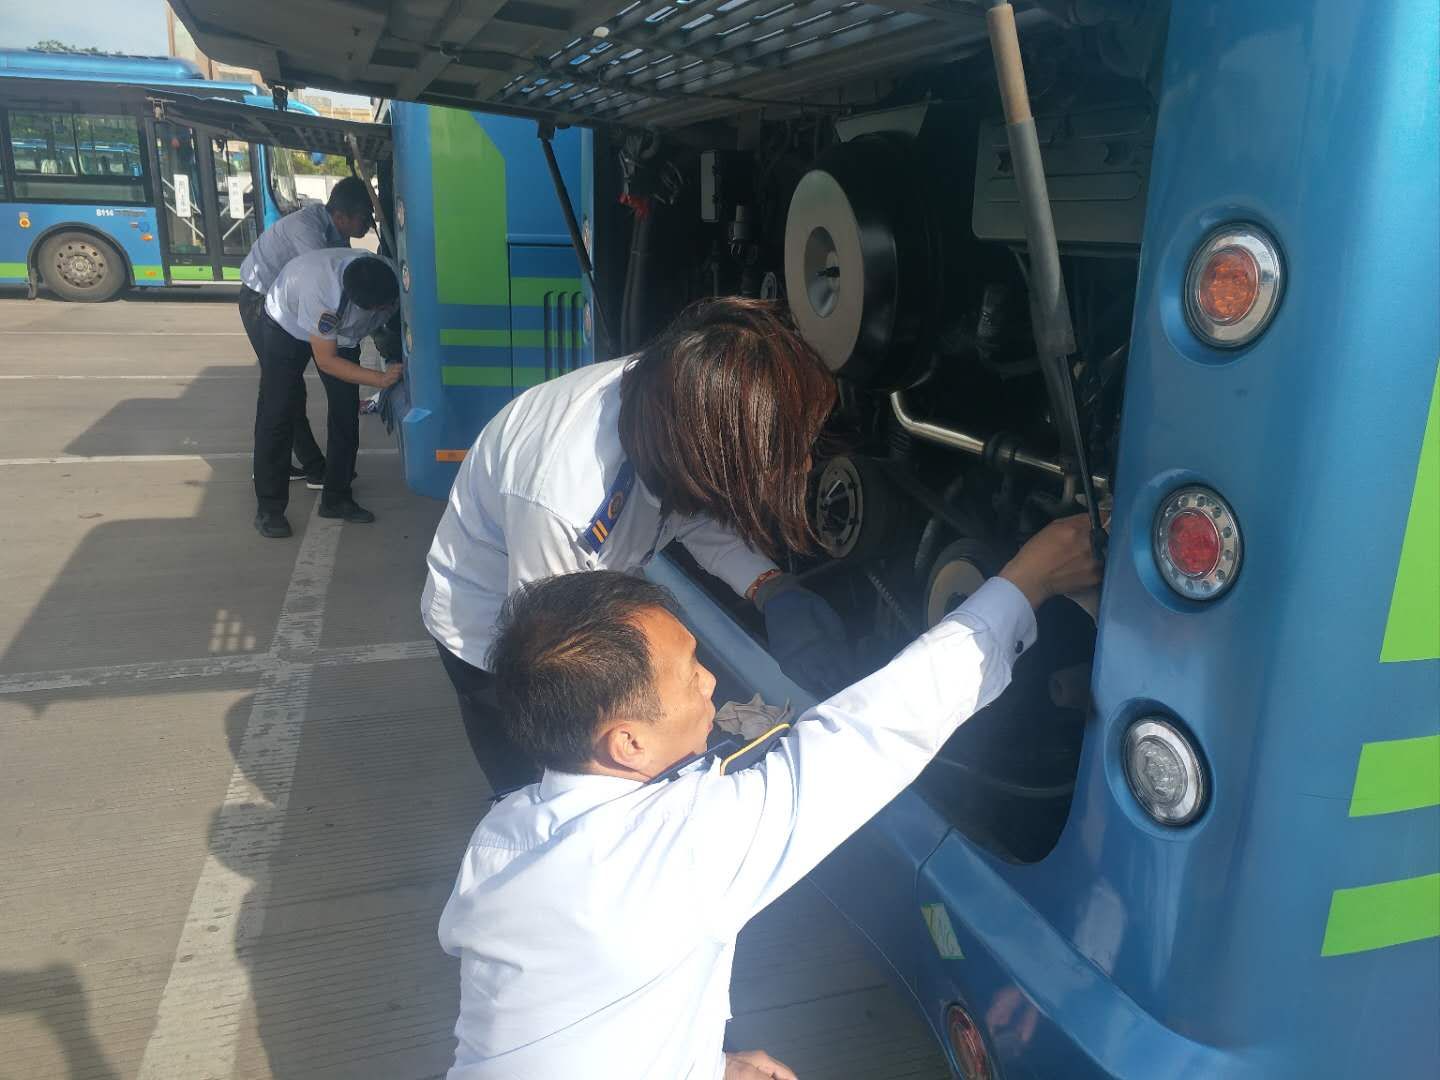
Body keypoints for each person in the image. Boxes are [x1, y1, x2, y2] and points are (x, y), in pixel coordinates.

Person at [436, 514, 1103, 1079]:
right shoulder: (680, 849)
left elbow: (560, 1029)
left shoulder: (505, 834)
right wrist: (1028, 581)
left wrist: (702, 1065)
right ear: (627, 743)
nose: (708, 682)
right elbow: (880, 728)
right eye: (688, 674)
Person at [422, 298, 853, 792]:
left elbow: (692, 513)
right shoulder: (562, 500)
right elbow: (560, 663)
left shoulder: (677, 396)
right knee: (543, 789)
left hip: (570, 592)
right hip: (494, 633)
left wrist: (770, 587)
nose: (801, 466)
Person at [253, 249, 402, 538]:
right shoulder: (323, 296)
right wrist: (380, 379)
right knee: (278, 410)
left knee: (345, 412)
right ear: (362, 305)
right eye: (379, 308)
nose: (385, 310)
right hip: (286, 326)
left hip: (343, 335)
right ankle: (269, 509)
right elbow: (327, 361)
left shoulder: (387, 274)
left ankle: (336, 498)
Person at [238, 176, 374, 487]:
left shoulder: (337, 234)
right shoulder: (307, 230)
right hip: (261, 301)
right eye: (364, 218)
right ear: (341, 216)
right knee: (281, 389)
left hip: (291, 302)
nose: (368, 225)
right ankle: (278, 464)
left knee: (291, 389)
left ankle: (311, 466)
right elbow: (324, 282)